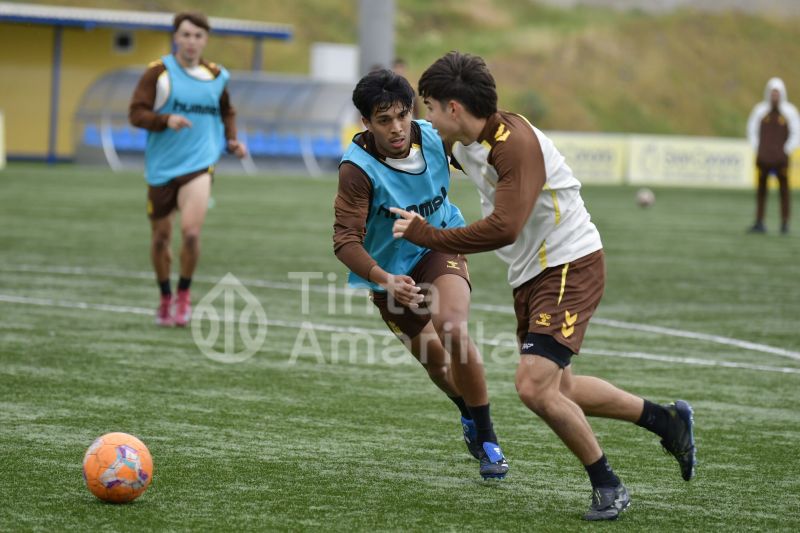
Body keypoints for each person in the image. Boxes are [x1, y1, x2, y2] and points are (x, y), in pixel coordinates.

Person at [391, 51, 696, 521]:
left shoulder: (514, 145)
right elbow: (410, 145)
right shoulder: (459, 141)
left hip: (570, 264)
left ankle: (608, 484)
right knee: (562, 388)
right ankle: (666, 421)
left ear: (454, 108)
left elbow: (504, 228)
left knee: (533, 387)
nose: (425, 118)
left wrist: (426, 235)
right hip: (531, 275)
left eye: (429, 106)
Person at [333, 68, 508, 480]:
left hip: (439, 241)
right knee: (437, 365)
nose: (396, 128)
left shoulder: (434, 135)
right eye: (384, 120)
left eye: (402, 115)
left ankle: (487, 439)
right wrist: (385, 278)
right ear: (366, 123)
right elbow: (344, 241)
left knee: (452, 327)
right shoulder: (356, 170)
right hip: (389, 272)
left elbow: (487, 148)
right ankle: (467, 413)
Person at [129, 11, 247, 327]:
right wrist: (165, 120)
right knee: (160, 240)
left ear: (205, 40)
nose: (191, 41)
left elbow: (227, 110)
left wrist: (232, 140)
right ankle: (165, 296)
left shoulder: (217, 75)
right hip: (162, 168)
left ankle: (184, 295)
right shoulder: (158, 73)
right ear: (175, 38)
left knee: (191, 234)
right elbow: (136, 114)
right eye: (185, 35)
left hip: (200, 164)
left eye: (198, 36)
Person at [746, 77, 799, 234]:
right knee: (761, 191)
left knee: (784, 191)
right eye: (772, 93)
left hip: (781, 159)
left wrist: (786, 150)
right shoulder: (760, 111)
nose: (774, 96)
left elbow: (796, 133)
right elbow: (751, 131)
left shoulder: (789, 112)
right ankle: (760, 221)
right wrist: (759, 149)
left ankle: (785, 222)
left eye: (777, 93)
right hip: (764, 158)